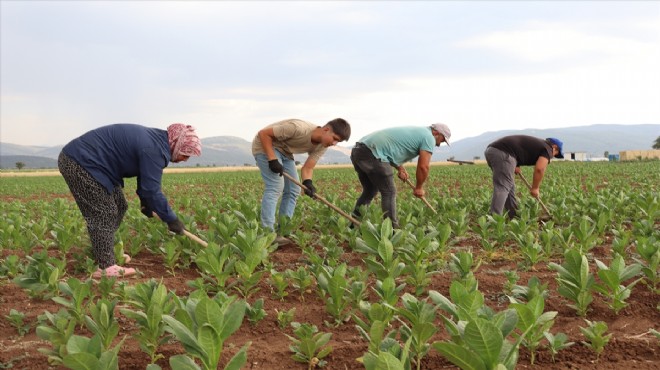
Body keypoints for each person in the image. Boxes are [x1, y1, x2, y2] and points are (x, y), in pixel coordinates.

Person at [58, 123, 202, 278]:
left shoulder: (156, 144)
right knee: (104, 212)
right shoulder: (154, 149)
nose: (185, 160)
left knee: (120, 206)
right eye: (185, 154)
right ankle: (106, 266)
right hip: (81, 162)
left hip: (94, 164)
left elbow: (145, 183)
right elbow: (151, 190)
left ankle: (105, 253)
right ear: (176, 145)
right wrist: (171, 219)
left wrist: (146, 205)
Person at [252, 118, 351, 244]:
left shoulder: (322, 146)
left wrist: (308, 183)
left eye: (338, 141)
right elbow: (263, 133)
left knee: (294, 189)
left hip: (285, 152)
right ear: (326, 130)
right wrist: (272, 159)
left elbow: (308, 167)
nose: (335, 143)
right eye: (335, 138)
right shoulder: (298, 128)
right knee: (275, 186)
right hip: (265, 146)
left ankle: (283, 230)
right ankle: (267, 233)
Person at [350, 123, 451, 229]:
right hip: (372, 152)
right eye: (442, 140)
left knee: (370, 191)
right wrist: (419, 187)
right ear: (436, 132)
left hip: (359, 150)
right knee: (389, 191)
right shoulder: (429, 137)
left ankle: (353, 225)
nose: (439, 144)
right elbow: (423, 167)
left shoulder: (419, 131)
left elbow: (391, 148)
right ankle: (392, 231)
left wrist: (400, 168)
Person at [484, 135, 564, 218]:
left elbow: (517, 148)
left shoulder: (539, 145)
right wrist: (535, 188)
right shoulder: (548, 149)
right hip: (502, 153)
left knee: (509, 185)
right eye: (556, 154)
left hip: (493, 151)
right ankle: (494, 219)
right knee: (503, 186)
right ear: (554, 147)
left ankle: (514, 216)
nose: (553, 156)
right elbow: (540, 169)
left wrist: (516, 164)